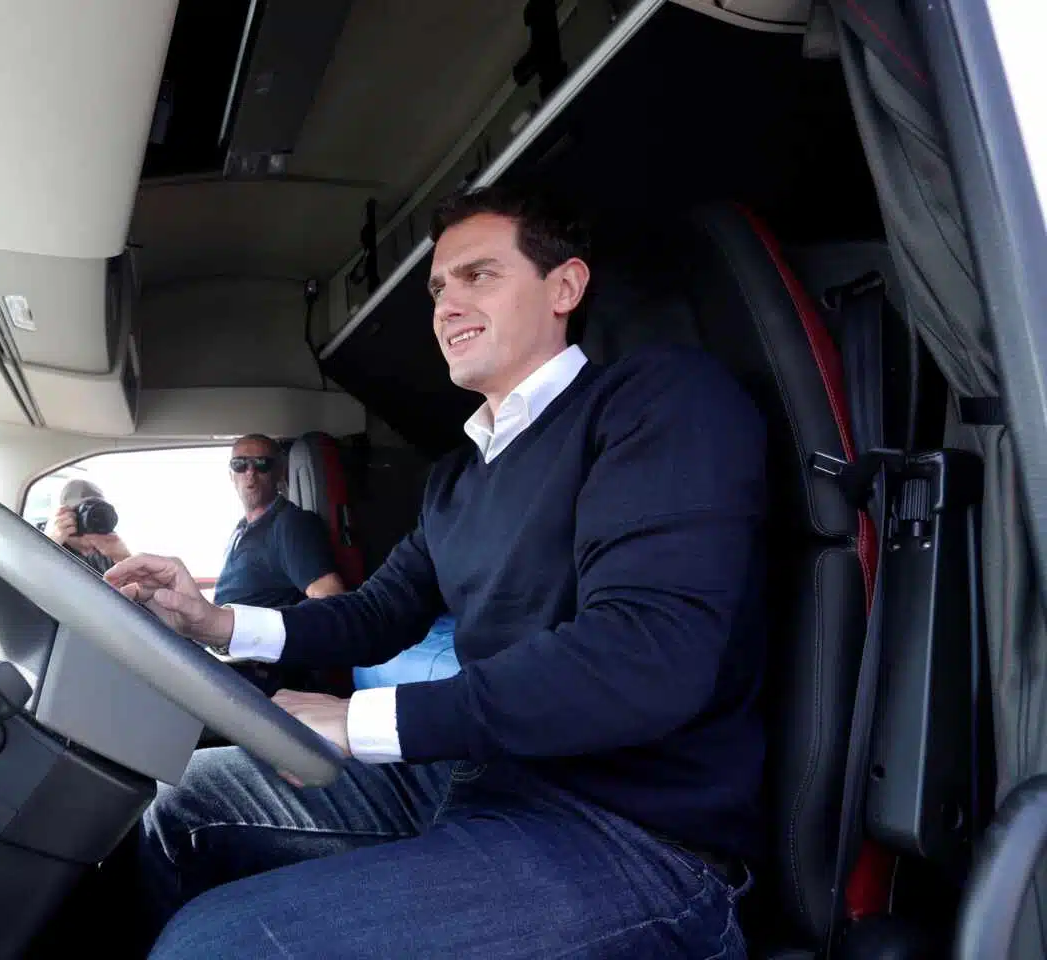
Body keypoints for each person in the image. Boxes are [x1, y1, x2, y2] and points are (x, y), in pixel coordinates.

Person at [106, 182, 768, 958]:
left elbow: (643, 656)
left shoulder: (658, 401)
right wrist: (214, 622)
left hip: (632, 836)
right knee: (178, 806)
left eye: (478, 275)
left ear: (564, 287)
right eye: (438, 289)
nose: (447, 306)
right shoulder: (456, 477)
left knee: (214, 947)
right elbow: (376, 613)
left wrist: (359, 722)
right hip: (482, 778)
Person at [212, 434, 346, 607]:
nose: (250, 472)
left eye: (262, 463)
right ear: (231, 474)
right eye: (240, 464)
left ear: (279, 472)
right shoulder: (242, 527)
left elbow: (332, 601)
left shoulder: (291, 524)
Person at [46, 479, 130, 576]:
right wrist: (49, 543)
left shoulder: (107, 550)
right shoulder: (53, 550)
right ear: (63, 516)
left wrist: (123, 558)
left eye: (99, 513)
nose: (93, 519)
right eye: (82, 512)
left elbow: (135, 583)